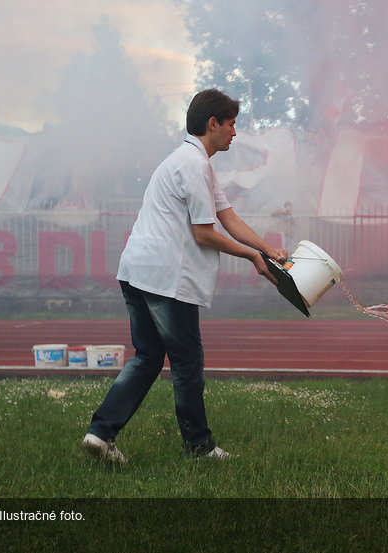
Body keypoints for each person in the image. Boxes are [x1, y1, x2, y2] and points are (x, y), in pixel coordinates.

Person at [81, 89, 287, 463]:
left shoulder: (192, 163)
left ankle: (100, 433)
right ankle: (199, 447)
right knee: (187, 363)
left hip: (137, 272)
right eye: (231, 124)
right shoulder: (193, 166)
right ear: (213, 124)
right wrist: (253, 258)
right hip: (165, 279)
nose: (235, 133)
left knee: (147, 356)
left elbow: (228, 217)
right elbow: (204, 233)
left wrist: (268, 250)